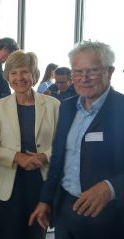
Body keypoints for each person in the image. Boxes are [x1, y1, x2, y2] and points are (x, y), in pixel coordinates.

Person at [29, 41, 124, 238]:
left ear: (110, 71)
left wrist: (111, 187)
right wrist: (45, 200)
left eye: (93, 71)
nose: (84, 78)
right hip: (66, 211)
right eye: (78, 72)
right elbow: (57, 160)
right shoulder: (67, 107)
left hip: (110, 217)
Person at [0, 50, 60, 239]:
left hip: (41, 182)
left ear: (33, 74)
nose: (19, 78)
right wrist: (17, 157)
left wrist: (44, 156)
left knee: (35, 233)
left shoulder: (53, 105)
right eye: (13, 73)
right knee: (6, 233)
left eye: (24, 72)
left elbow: (62, 144)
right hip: (7, 184)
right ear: (7, 76)